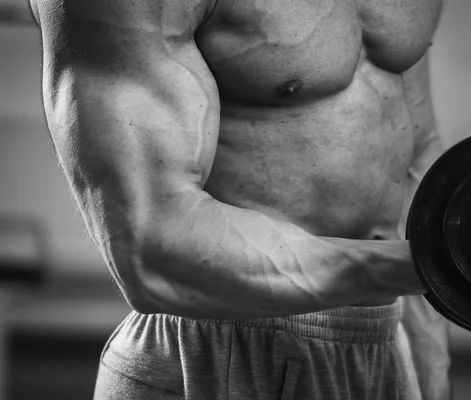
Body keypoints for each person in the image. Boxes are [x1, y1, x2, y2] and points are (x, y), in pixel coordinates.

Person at [31, 0, 450, 398]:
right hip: (215, 352)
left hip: (387, 346)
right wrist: (439, 268)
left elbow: (418, 154)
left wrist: (430, 366)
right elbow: (154, 247)